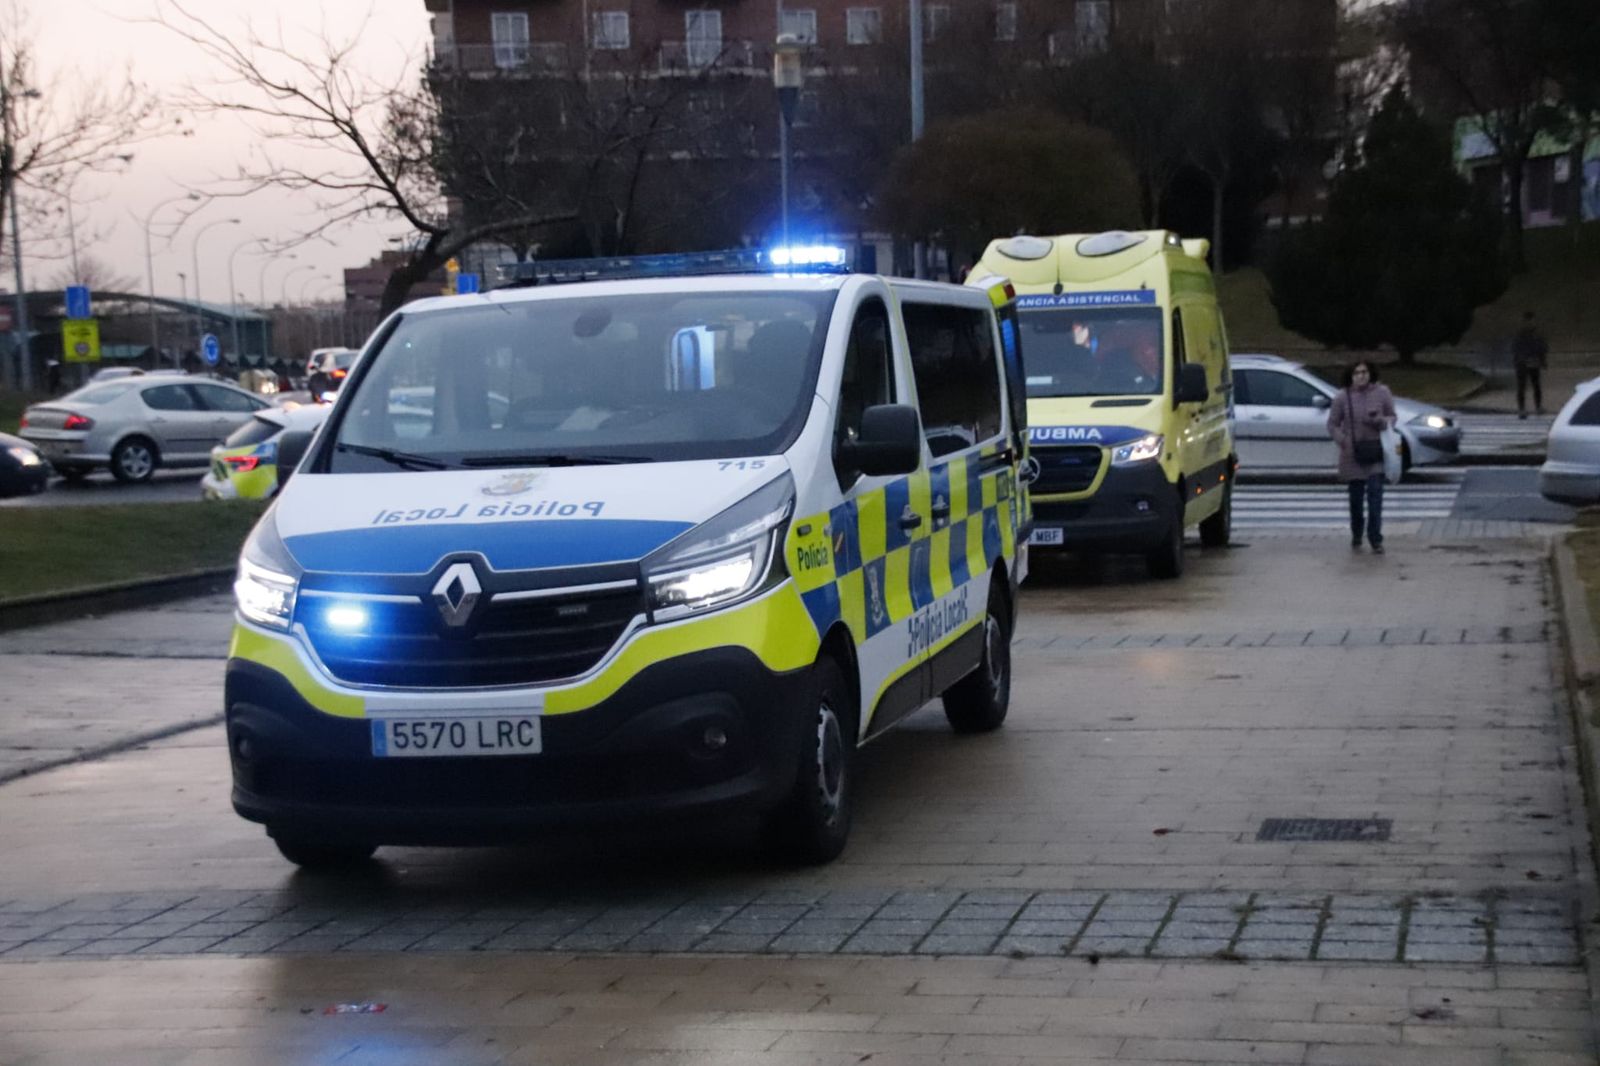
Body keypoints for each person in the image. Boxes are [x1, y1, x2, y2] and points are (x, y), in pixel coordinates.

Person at [1327, 360, 1396, 554]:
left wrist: (1380, 421)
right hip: (1352, 454)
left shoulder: (1382, 393)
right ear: (1351, 376)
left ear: (1370, 373)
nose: (1361, 376)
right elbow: (1332, 424)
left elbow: (1392, 417)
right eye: (1357, 373)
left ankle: (1376, 538)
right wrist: (1343, 440)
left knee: (1376, 497)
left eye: (1364, 372)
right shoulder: (1342, 397)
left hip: (1375, 451)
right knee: (1355, 499)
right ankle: (1357, 532)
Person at [1511, 310, 1548, 419]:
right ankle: (1522, 409)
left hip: (1533, 362)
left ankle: (1538, 406)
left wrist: (1542, 360)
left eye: (1532, 320)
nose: (1531, 323)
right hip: (1522, 363)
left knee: (1536, 385)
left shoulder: (1537, 333)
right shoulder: (1520, 334)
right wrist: (1521, 359)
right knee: (1522, 386)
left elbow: (1542, 347)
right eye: (1528, 320)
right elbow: (1515, 348)